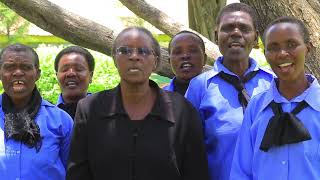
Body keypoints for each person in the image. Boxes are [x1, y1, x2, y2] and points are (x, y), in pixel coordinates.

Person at [67, 27, 209, 180]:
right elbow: (78, 174)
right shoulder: (90, 109)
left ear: (155, 61)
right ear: (114, 59)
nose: (134, 57)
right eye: (125, 51)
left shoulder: (182, 110)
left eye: (143, 51)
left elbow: (196, 173)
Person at [185, 3, 274, 180]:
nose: (235, 33)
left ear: (256, 38)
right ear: (216, 36)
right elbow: (189, 150)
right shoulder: (200, 87)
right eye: (227, 28)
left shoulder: (273, 83)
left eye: (244, 28)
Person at [230, 16, 320, 180]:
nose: (282, 54)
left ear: (308, 48)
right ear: (265, 53)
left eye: (291, 45)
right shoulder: (256, 106)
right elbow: (241, 171)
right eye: (273, 47)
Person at [0, 43, 73, 179]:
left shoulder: (61, 121)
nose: (18, 73)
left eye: (26, 67)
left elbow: (73, 172)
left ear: (37, 74)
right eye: (9, 67)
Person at [55, 46, 94, 119]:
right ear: (57, 76)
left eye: (78, 69)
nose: (71, 73)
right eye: (65, 69)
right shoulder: (47, 115)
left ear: (90, 76)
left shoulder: (105, 111)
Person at [163, 30, 206, 95]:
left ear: (204, 59)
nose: (185, 56)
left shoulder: (218, 94)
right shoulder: (158, 98)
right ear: (169, 61)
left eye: (193, 51)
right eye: (178, 52)